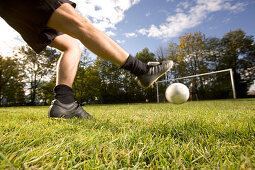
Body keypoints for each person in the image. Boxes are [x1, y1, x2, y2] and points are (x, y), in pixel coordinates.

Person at [0, 0, 173, 118]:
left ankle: (64, 102)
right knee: (80, 24)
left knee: (71, 46)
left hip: (10, 11)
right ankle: (141, 70)